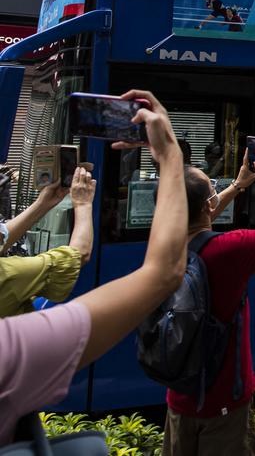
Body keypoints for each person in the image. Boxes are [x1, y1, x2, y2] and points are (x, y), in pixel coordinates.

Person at [0, 90, 187, 446]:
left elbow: (3, 234)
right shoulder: (9, 347)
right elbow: (162, 273)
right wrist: (168, 154)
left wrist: (43, 204)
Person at [163, 142, 255, 456]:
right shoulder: (230, 249)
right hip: (225, 401)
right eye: (212, 187)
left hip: (180, 400)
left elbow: (196, 218)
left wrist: (237, 186)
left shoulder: (163, 249)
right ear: (207, 206)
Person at [0, 168, 95, 317]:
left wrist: (43, 203)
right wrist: (83, 204)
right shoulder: (9, 274)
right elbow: (78, 255)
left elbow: (2, 235)